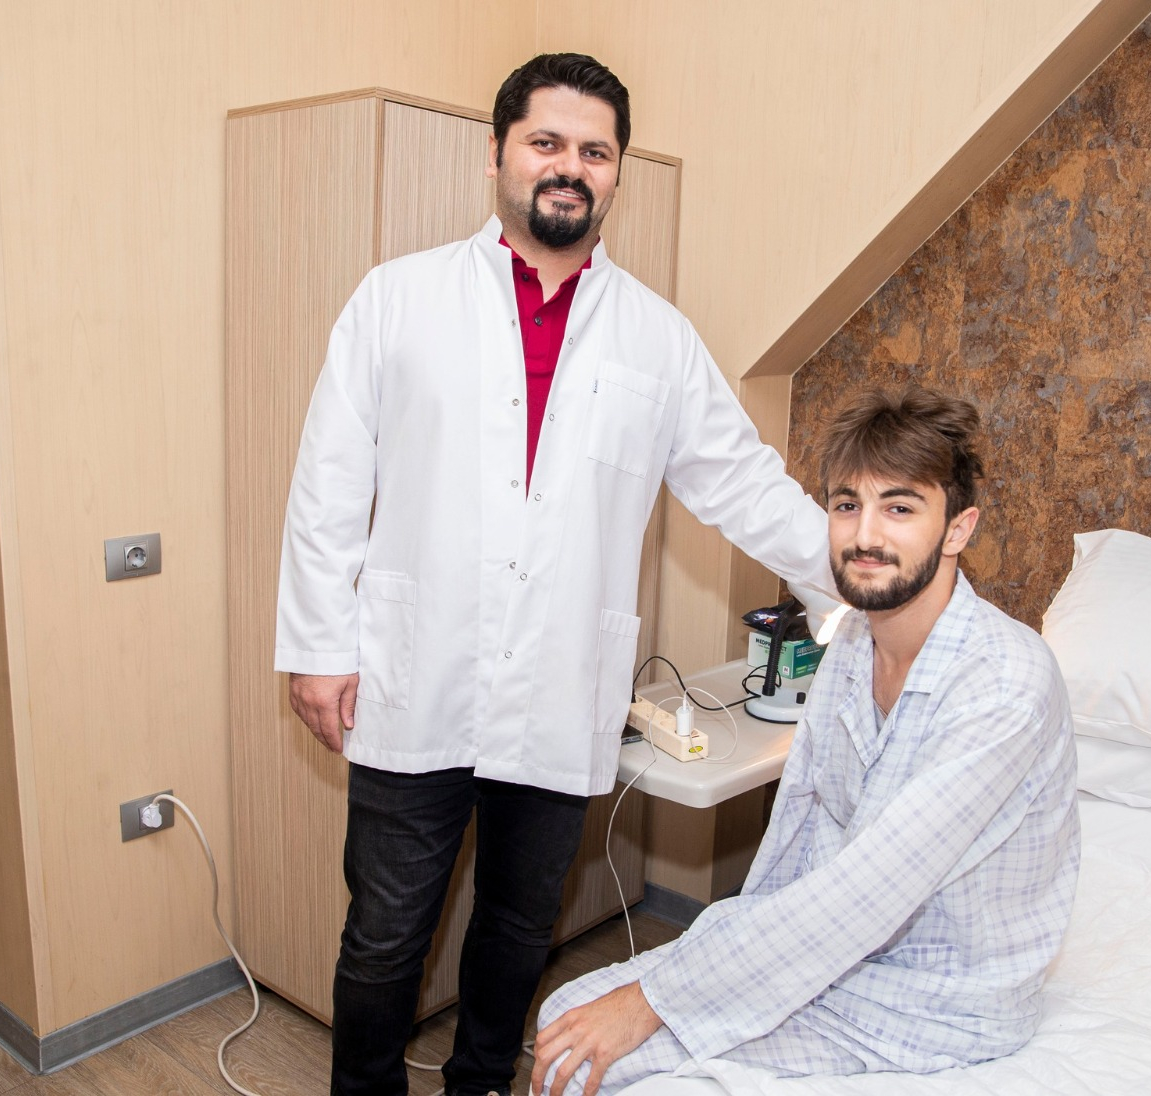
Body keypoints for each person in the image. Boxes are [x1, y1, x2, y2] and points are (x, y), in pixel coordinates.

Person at [274, 53, 838, 1096]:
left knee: (518, 926)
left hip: (558, 682)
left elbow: (744, 483)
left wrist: (852, 577)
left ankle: (483, 1081)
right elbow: (327, 485)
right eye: (546, 142)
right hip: (412, 672)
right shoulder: (398, 300)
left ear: (616, 173)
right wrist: (316, 647)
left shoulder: (657, 340)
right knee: (386, 931)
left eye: (595, 151)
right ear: (497, 153)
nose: (569, 167)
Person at [531, 387, 1080, 1096]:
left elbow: (865, 894)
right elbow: (798, 828)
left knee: (586, 1067)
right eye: (847, 505)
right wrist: (725, 953)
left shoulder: (1004, 687)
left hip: (938, 997)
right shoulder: (851, 642)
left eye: (900, 508)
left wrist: (654, 1000)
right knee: (565, 1013)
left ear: (958, 528)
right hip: (835, 956)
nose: (865, 535)